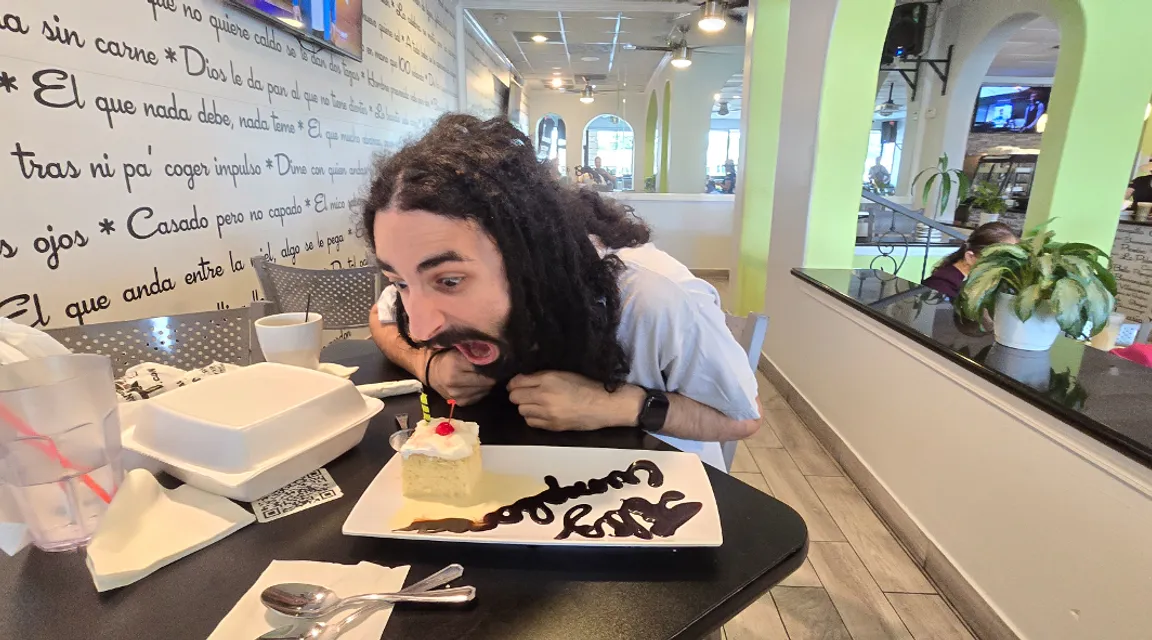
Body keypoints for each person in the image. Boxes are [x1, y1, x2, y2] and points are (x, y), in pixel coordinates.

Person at [365, 114, 761, 442]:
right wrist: (427, 364)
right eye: (400, 282)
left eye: (449, 282)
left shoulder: (654, 297)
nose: (420, 325)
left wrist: (620, 404)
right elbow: (381, 319)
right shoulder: (421, 273)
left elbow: (742, 419)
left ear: (529, 257)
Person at [922, 221, 1018, 300]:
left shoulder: (986, 282)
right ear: (970, 257)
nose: (1008, 266)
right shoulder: (940, 287)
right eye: (999, 259)